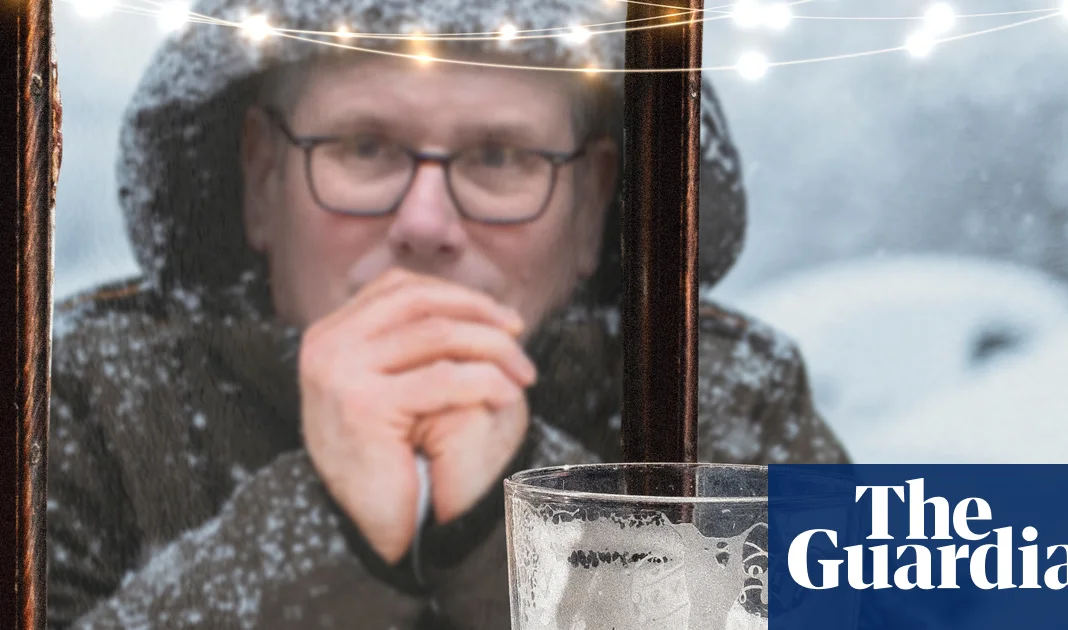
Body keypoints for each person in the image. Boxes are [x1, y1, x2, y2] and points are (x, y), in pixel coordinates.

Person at [48, 0, 850, 628]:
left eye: (500, 157)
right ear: (262, 180)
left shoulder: (724, 404)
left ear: (590, 205)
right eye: (365, 147)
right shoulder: (80, 402)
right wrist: (323, 528)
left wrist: (523, 527)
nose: (425, 224)